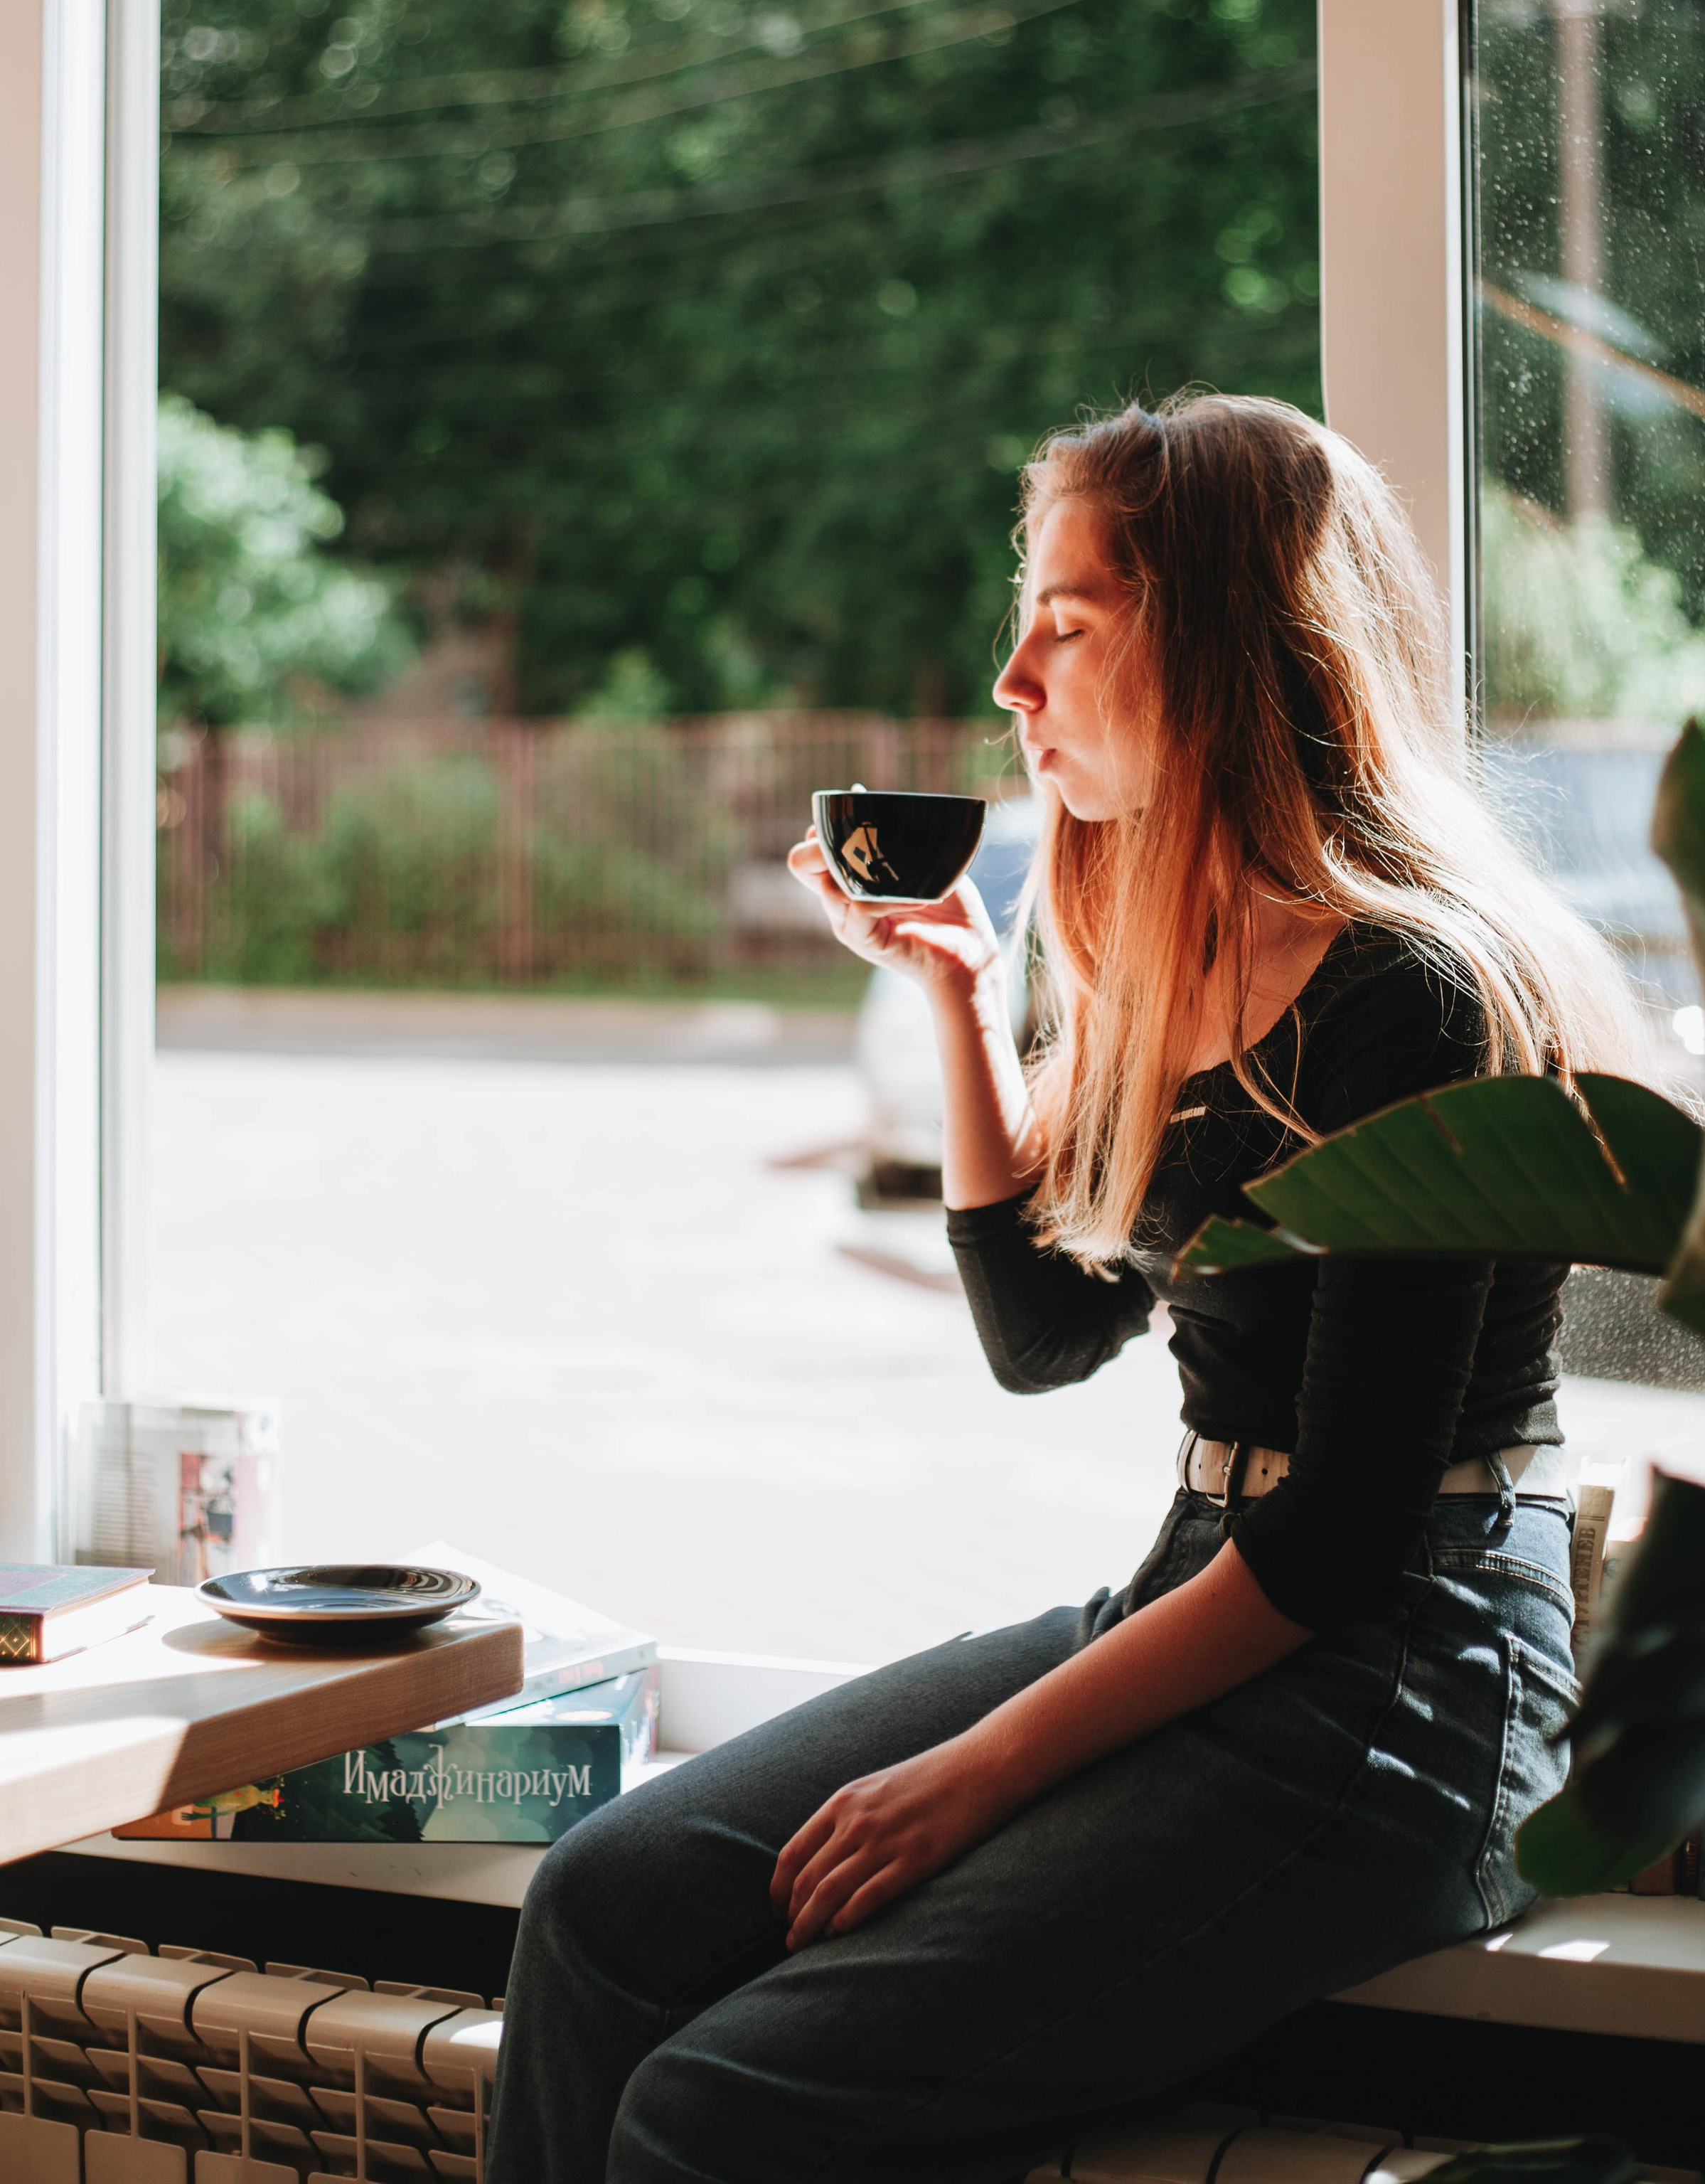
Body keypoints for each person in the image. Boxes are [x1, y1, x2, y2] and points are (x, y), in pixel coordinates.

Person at [487, 394, 1645, 2184]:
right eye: (1019, 617)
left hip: (1408, 1672)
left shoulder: (1408, 994)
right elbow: (1043, 1338)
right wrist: (957, 994)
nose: (1013, 677)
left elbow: (1340, 1536)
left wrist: (970, 1775)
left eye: (1069, 622)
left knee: (714, 2115)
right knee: (602, 1903)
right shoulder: (1147, 944)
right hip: (1205, 1588)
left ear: (1227, 643)